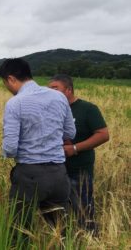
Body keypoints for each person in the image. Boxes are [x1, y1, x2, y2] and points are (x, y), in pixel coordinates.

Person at [0, 59, 76, 242]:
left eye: (5, 83)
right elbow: (70, 132)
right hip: (58, 173)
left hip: (29, 175)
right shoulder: (59, 97)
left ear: (10, 79)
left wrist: (5, 152)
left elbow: (10, 148)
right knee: (61, 231)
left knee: (21, 231)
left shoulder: (15, 103)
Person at [49, 74, 109, 233]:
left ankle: (91, 239)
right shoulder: (51, 110)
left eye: (55, 88)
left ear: (68, 90)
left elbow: (103, 134)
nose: (51, 92)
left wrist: (74, 148)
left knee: (83, 209)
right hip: (56, 169)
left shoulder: (88, 109)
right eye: (49, 89)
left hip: (80, 170)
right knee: (59, 210)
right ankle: (66, 239)